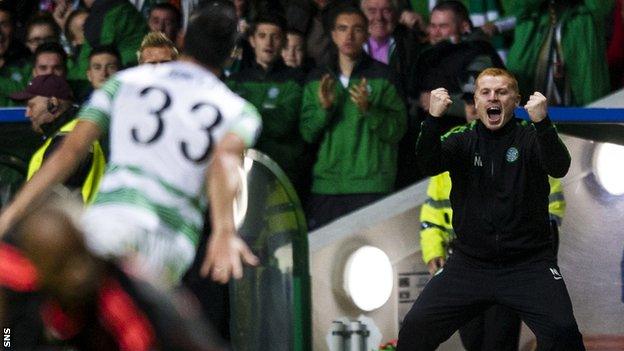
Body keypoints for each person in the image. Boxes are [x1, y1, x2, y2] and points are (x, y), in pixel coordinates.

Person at [0, 0, 262, 289]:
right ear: (231, 55)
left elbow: (69, 153)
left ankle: (13, 334)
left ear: (182, 40)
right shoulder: (239, 111)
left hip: (108, 225)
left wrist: (11, 213)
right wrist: (224, 231)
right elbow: (226, 162)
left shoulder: (124, 82)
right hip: (166, 245)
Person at [398, 67, 584, 350]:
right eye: (485, 92)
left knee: (564, 332)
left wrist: (543, 123)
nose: (493, 97)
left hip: (528, 265)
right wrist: (433, 119)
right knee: (415, 328)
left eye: (502, 92)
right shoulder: (462, 139)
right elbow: (429, 163)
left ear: (516, 100)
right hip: (469, 264)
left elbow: (560, 166)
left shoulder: (530, 137)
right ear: (476, 101)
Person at [1, 202, 227, 350]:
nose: (78, 274)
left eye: (81, 257)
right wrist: (6, 341)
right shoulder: (15, 270)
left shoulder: (118, 297)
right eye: (64, 266)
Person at [300, 5, 406, 229]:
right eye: (342, 28)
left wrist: (370, 110)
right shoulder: (317, 79)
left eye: (357, 29)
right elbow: (307, 133)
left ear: (366, 34)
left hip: (372, 186)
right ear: (333, 35)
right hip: (327, 187)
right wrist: (324, 109)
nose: (349, 35)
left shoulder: (384, 77)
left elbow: (397, 131)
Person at [227, 14, 307, 195]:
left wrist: (245, 118)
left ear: (283, 41)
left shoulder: (296, 80)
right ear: (252, 40)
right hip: (241, 173)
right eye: (262, 36)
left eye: (275, 37)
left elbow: (283, 123)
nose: (268, 43)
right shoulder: (235, 82)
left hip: (283, 174)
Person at [9, 74, 105, 204]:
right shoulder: (69, 134)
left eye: (31, 106)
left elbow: (50, 200)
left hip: (74, 223)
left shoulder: (69, 140)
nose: (27, 113)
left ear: (53, 104)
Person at [506, 0, 613, 106]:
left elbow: (601, 6)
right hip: (534, 40)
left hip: (580, 34)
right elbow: (515, 8)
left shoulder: (584, 16)